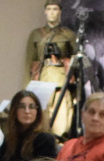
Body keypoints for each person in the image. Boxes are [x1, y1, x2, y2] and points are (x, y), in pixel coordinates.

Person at [26, 2, 78, 138]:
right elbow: (29, 62)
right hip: (43, 82)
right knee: (41, 123)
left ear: (60, 11)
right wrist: (27, 90)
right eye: (49, 9)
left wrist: (76, 92)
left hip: (61, 82)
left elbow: (75, 63)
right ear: (45, 12)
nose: (52, 12)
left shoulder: (68, 35)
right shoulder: (36, 34)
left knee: (62, 122)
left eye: (55, 9)